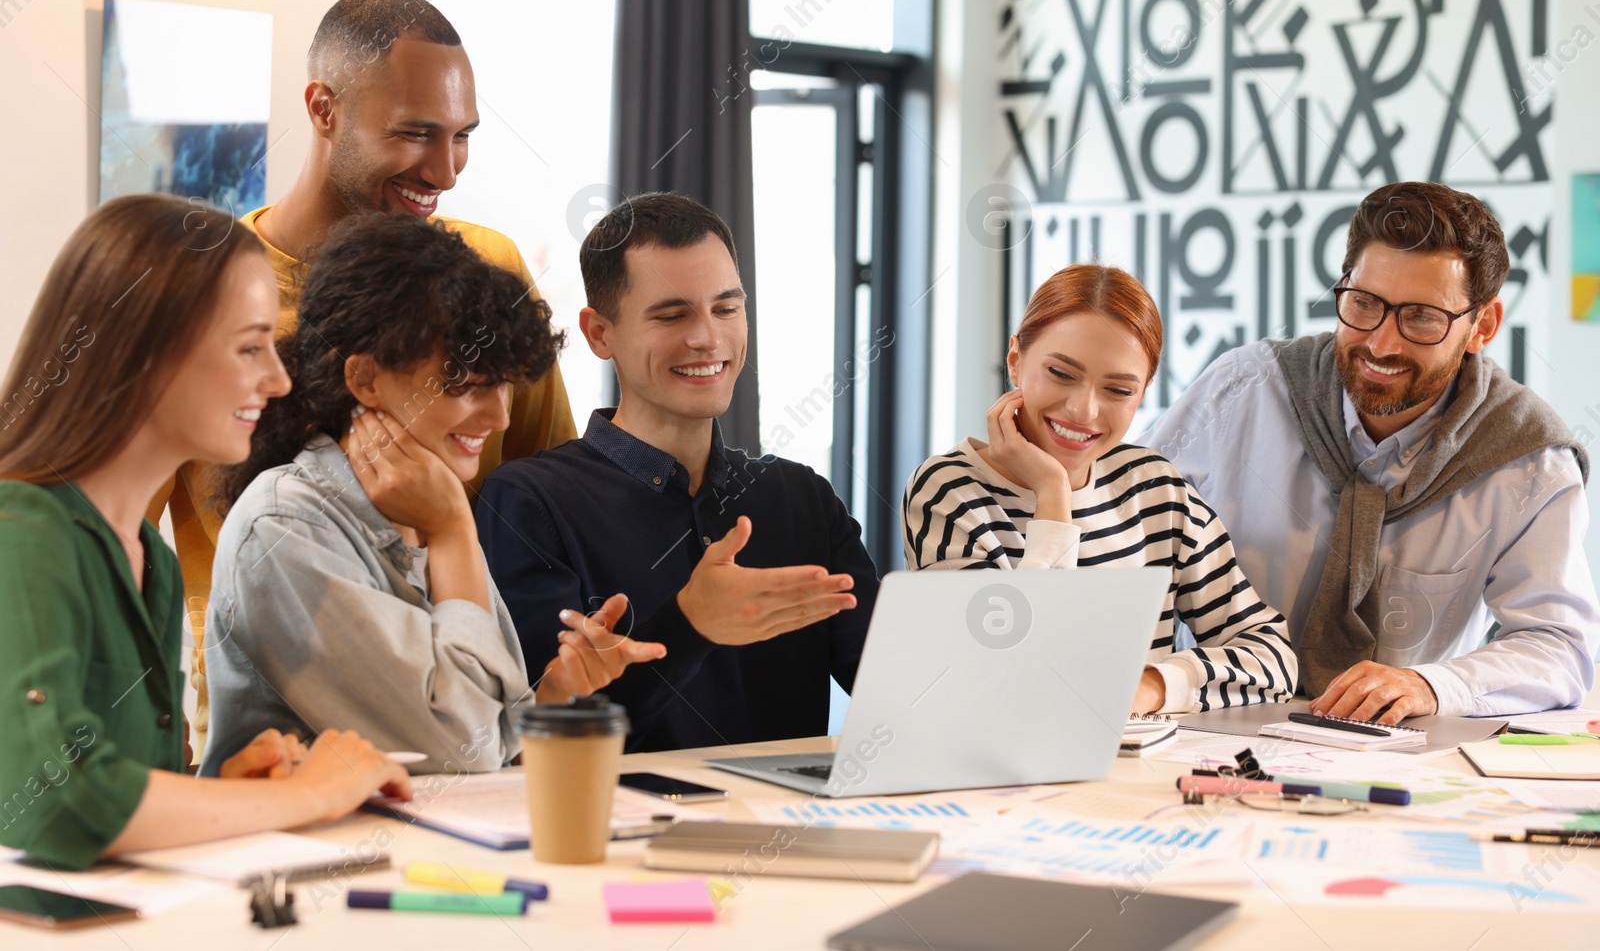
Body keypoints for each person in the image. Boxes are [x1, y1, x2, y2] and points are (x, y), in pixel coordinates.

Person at [150, 0, 578, 751]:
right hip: (284, 756)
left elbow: (545, 512)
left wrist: (542, 689)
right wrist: (159, 773)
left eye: (462, 137)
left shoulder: (486, 271)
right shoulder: (194, 301)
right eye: (416, 133)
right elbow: (119, 541)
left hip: (462, 738)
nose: (445, 170)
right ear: (323, 109)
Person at [0, 195, 410, 870]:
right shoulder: (24, 534)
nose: (278, 379)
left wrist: (220, 791)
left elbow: (113, 811)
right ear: (143, 353)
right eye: (250, 346)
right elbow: (52, 799)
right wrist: (308, 794)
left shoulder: (150, 561)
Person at [201, 215, 662, 777]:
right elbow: (455, 749)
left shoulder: (425, 502)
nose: (499, 417)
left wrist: (553, 696)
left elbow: (487, 744)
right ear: (366, 380)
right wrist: (453, 534)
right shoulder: (283, 526)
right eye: (465, 383)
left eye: (504, 383)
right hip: (314, 859)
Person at [1146, 181, 1598, 722]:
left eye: (1422, 318)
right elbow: (1119, 507)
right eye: (1364, 304)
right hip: (1206, 735)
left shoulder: (1529, 460)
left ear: (1483, 326)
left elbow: (1561, 647)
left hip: (1406, 758)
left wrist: (1432, 686)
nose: (1382, 344)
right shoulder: (1240, 389)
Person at [476, 192, 878, 751]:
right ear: (599, 333)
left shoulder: (800, 497)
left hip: (794, 829)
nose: (707, 338)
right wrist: (690, 624)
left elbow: (901, 694)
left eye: (727, 308)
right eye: (672, 314)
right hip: (621, 831)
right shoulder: (527, 502)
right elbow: (550, 739)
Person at [902, 265, 1297, 713]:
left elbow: (1273, 657)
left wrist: (1151, 686)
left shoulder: (1156, 491)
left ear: (1143, 394)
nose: (1083, 410)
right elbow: (1002, 684)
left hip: (1140, 773)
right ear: (1015, 359)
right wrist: (1053, 496)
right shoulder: (949, 492)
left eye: (1118, 390)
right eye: (1061, 373)